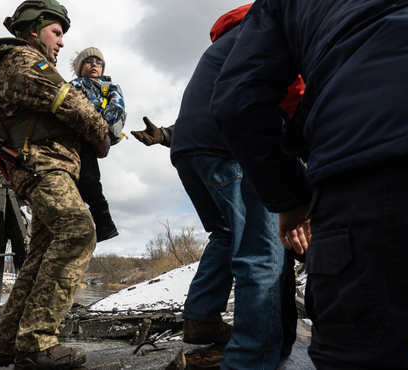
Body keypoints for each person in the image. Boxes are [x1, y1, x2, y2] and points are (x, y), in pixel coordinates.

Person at [209, 1, 408, 369]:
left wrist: (292, 200)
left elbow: (239, 100)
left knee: (385, 332)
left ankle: (247, 358)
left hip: (378, 154)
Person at [130, 5, 304, 368]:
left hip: (188, 149)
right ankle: (251, 358)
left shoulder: (224, 43)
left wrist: (164, 135)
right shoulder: (275, 30)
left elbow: (212, 102)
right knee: (263, 250)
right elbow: (293, 98)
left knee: (226, 233)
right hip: (229, 147)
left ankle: (202, 315)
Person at [0, 1, 109, 369]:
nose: (62, 43)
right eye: (57, 32)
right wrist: (100, 132)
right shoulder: (22, 60)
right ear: (33, 30)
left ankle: (6, 345)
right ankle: (37, 344)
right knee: (78, 233)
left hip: (47, 169)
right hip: (44, 167)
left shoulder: (20, 62)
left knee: (40, 255)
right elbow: (70, 101)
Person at [68, 47, 124, 242]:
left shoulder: (109, 85)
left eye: (98, 62)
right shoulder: (72, 85)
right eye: (88, 61)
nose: (94, 65)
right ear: (79, 67)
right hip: (74, 136)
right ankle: (84, 222)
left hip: (93, 135)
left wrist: (98, 124)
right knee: (76, 180)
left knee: (89, 179)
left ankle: (104, 223)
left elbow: (117, 106)